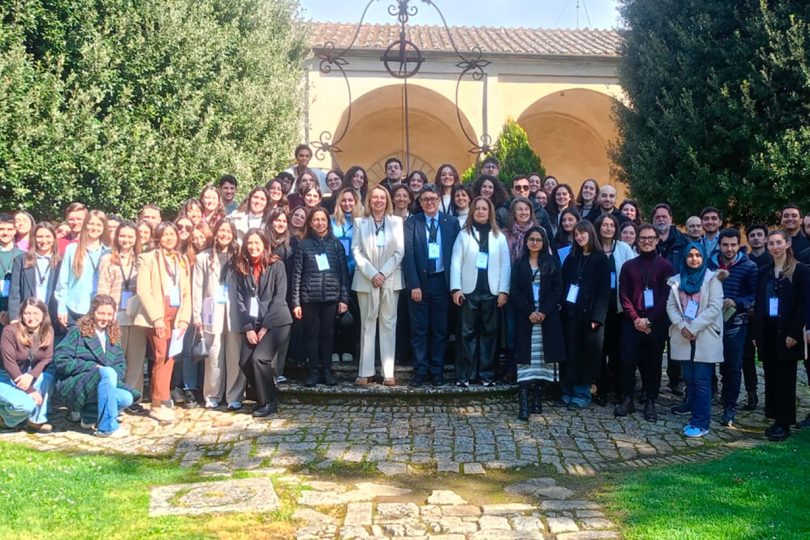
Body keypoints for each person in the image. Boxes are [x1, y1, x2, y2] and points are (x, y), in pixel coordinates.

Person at [54, 295, 139, 437]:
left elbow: (120, 365)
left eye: (109, 314)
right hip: (76, 383)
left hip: (103, 383)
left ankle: (89, 417)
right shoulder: (77, 332)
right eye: (101, 313)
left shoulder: (113, 335)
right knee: (107, 372)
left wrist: (109, 374)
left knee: (126, 398)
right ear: (92, 312)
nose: (105, 318)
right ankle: (107, 427)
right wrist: (92, 367)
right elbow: (60, 360)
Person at [133, 222, 191, 424]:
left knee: (170, 356)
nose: (169, 238)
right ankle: (157, 403)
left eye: (172, 234)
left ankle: (164, 397)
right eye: (165, 234)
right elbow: (143, 290)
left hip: (176, 313)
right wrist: (156, 318)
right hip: (157, 312)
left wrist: (184, 318)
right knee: (160, 355)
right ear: (158, 237)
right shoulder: (147, 258)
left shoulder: (181, 259)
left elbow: (186, 291)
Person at [615, 223, 675, 421]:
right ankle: (627, 399)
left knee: (653, 363)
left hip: (656, 323)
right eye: (643, 238)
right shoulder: (629, 266)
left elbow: (666, 298)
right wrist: (636, 319)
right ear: (637, 241)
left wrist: (649, 320)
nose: (647, 241)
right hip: (631, 321)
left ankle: (650, 401)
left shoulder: (666, 267)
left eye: (651, 238)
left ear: (657, 240)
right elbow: (623, 295)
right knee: (627, 362)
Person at [403, 185, 460, 387]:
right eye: (425, 199)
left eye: (433, 198)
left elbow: (457, 256)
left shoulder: (451, 223)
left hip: (442, 282)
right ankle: (420, 370)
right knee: (419, 329)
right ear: (420, 202)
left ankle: (437, 371)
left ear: (438, 200)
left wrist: (454, 287)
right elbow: (408, 256)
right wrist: (414, 285)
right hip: (420, 283)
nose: (429, 202)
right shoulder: (412, 223)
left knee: (440, 329)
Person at [754, 230, 808, 442]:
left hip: (787, 333)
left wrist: (794, 332)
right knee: (771, 377)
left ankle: (784, 423)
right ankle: (775, 417)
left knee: (786, 379)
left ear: (787, 244)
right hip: (768, 332)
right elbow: (759, 304)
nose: (775, 247)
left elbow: (804, 304)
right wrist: (757, 334)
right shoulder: (765, 271)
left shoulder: (800, 270)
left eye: (779, 242)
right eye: (771, 243)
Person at [450, 196, 510, 387]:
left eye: (485, 209)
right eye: (477, 209)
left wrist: (503, 291)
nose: (481, 212)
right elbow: (455, 262)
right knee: (465, 334)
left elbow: (505, 265)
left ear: (490, 212)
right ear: (472, 212)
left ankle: (487, 375)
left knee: (489, 335)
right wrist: (456, 289)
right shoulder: (464, 235)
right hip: (468, 292)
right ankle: (464, 375)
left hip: (491, 292)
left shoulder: (499, 237)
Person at [666, 242, 724, 438]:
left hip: (704, 335)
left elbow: (715, 307)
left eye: (698, 255)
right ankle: (692, 407)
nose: (694, 259)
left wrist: (693, 327)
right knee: (689, 378)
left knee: (701, 381)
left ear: (703, 257)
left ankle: (701, 423)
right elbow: (671, 306)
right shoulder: (676, 280)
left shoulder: (712, 278)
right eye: (690, 255)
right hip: (684, 336)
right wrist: (682, 326)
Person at [234, 229, 291, 417]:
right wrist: (248, 328)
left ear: (265, 244)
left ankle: (269, 402)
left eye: (257, 243)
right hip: (254, 323)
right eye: (249, 243)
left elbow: (279, 298)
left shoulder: (277, 265)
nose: (253, 246)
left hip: (276, 322)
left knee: (260, 358)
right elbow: (240, 300)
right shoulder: (243, 267)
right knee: (244, 361)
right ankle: (262, 394)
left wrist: (265, 327)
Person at [291, 208, 350, 387]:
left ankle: (327, 371)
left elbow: (343, 274)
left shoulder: (336, 244)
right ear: (310, 223)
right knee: (312, 336)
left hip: (331, 298)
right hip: (309, 298)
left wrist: (343, 299)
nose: (320, 223)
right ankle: (314, 371)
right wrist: (296, 302)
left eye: (323, 219)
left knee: (328, 335)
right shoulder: (304, 245)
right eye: (316, 220)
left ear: (327, 222)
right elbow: (297, 274)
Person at [351, 187, 404, 386]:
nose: (378, 201)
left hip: (390, 278)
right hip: (366, 279)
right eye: (375, 197)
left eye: (382, 197)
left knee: (388, 324)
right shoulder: (359, 222)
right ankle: (365, 371)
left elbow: (399, 251)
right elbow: (356, 250)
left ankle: (388, 372)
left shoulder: (396, 222)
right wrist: (373, 273)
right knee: (367, 323)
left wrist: (383, 273)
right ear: (369, 200)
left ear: (387, 200)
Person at [511, 227, 565, 419]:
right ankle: (523, 399)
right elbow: (514, 291)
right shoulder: (519, 264)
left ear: (544, 242)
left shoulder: (552, 262)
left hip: (546, 318)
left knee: (542, 358)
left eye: (538, 240)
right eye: (531, 239)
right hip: (526, 318)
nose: (535, 242)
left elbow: (558, 289)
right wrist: (529, 312)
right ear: (526, 242)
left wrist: (543, 311)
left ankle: (538, 397)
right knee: (525, 358)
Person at [706, 228, 757, 427]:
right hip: (710, 322)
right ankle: (709, 400)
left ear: (738, 245)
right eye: (725, 244)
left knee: (732, 367)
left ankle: (730, 408)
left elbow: (754, 295)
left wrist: (737, 302)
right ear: (719, 245)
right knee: (708, 363)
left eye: (733, 245)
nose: (729, 248)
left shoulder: (749, 266)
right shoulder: (709, 263)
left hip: (735, 324)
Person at [193, 220, 245, 410]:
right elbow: (197, 287)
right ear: (215, 233)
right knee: (213, 355)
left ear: (233, 234)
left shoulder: (239, 256)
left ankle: (234, 396)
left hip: (234, 311)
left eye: (228, 231)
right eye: (221, 230)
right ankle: (212, 395)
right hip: (210, 309)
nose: (224, 234)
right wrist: (196, 313)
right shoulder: (203, 258)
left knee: (234, 355)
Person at [560, 220, 610, 408]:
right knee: (569, 353)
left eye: (583, 233)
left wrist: (597, 317)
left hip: (590, 317)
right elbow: (563, 283)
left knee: (585, 355)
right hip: (570, 314)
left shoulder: (600, 259)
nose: (579, 237)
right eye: (576, 234)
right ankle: (566, 390)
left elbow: (604, 291)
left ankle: (581, 393)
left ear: (590, 233)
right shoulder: (571, 258)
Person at [96, 221, 147, 399]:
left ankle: (133, 396)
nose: (126, 240)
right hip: (116, 315)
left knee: (137, 359)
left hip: (137, 315)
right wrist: (104, 315)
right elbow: (102, 289)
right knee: (116, 359)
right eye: (122, 235)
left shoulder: (142, 258)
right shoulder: (107, 259)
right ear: (117, 237)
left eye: (130, 236)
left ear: (136, 239)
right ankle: (115, 396)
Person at [593, 213, 636, 405]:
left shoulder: (624, 248)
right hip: (599, 310)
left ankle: (620, 391)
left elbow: (633, 276)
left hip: (619, 310)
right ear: (599, 227)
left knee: (618, 352)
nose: (608, 228)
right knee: (599, 351)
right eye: (605, 225)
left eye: (611, 225)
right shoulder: (593, 249)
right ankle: (601, 389)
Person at [0, 298, 55, 433]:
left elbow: (47, 358)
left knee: (46, 378)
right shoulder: (10, 331)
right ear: (21, 314)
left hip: (25, 375)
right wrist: (30, 391)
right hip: (6, 376)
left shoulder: (48, 331)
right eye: (27, 313)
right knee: (26, 405)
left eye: (35, 313)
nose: (31, 318)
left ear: (43, 315)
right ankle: (5, 418)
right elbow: (9, 363)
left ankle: (35, 421)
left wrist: (31, 375)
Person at [55, 210, 109, 331]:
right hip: (75, 309)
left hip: (100, 311)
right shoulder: (72, 249)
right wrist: (61, 307)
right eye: (91, 224)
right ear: (85, 226)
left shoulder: (108, 252)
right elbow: (62, 282)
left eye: (99, 225)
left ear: (104, 228)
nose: (95, 228)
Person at [9, 222, 61, 332]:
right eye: (39, 236)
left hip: (52, 316)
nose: (43, 240)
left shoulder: (61, 262)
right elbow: (15, 292)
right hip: (28, 317)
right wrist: (14, 318)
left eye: (48, 236)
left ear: (54, 239)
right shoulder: (21, 260)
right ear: (33, 238)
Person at [741, 223, 771, 411]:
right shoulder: (745, 261)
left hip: (769, 318)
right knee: (747, 358)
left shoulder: (773, 260)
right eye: (752, 235)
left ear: (765, 238)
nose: (756, 238)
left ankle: (772, 395)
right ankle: (751, 394)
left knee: (769, 357)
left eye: (760, 234)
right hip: (749, 317)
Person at [331, 189, 361, 363]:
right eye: (344, 200)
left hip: (356, 272)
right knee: (334, 313)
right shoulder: (330, 221)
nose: (347, 204)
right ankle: (336, 348)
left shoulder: (362, 222)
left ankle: (349, 348)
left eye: (351, 200)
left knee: (353, 314)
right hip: (334, 274)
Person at [0, 214, 25, 327]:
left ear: (15, 231)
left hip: (15, 312)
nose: (5, 233)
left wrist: (12, 313)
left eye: (9, 229)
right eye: (1, 229)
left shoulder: (23, 255)